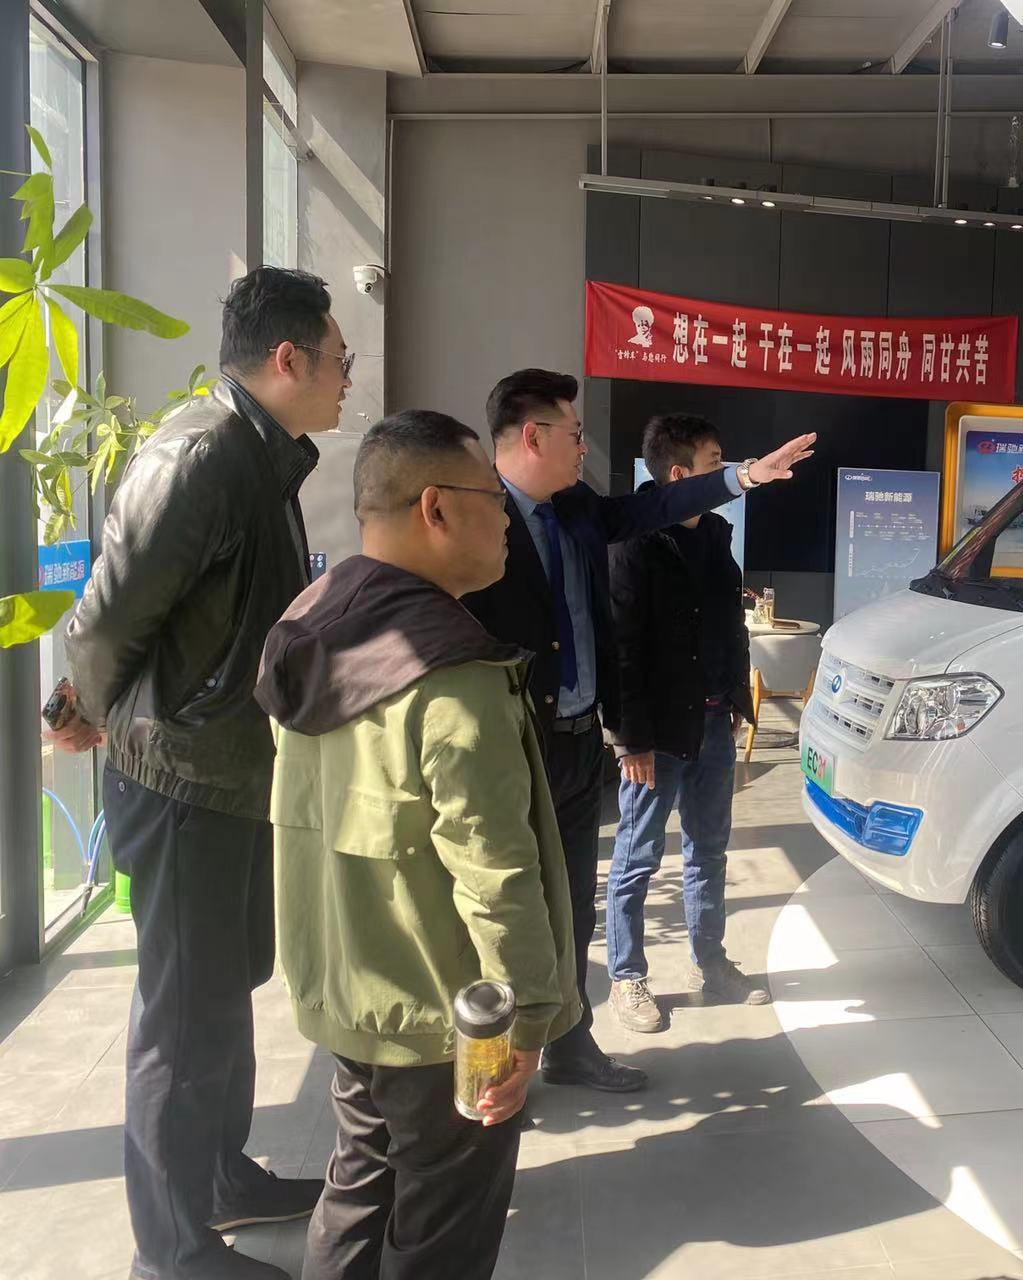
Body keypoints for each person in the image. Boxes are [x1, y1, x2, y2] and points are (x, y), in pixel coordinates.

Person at [50, 267, 348, 1280]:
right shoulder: (200, 455)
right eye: (339, 358)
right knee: (180, 1019)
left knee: (222, 991)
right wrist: (87, 712)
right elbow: (107, 616)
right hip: (181, 778)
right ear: (288, 358)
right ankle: (171, 1249)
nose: (347, 376)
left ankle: (218, 1178)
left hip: (227, 770)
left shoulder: (257, 455)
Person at [253, 410, 578, 1280]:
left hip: (349, 989)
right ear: (436, 507)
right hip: (447, 1018)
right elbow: (496, 877)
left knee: (360, 1185)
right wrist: (528, 1020)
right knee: (443, 1231)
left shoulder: (310, 622)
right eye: (492, 499)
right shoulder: (451, 678)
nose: (506, 518)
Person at [461, 369, 813, 1092]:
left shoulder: (578, 509)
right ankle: (496, 1064)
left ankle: (569, 1044)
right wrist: (633, 735)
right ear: (533, 436)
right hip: (507, 748)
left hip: (576, 740)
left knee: (572, 903)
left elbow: (654, 506)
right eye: (574, 433)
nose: (583, 445)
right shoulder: (475, 516)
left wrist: (745, 476)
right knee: (504, 907)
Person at [603, 414, 768, 1033]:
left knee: (710, 849)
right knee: (637, 857)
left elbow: (729, 628)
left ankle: (711, 962)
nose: (726, 472)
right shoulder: (633, 541)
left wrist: (734, 702)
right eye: (715, 462)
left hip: (712, 724)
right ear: (680, 474)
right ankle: (626, 977)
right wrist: (631, 739)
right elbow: (622, 649)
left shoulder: (716, 535)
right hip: (657, 737)